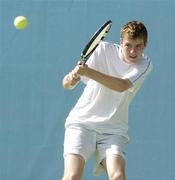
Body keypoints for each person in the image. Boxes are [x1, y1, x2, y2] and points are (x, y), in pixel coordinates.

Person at [61, 20, 152, 180]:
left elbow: (121, 85)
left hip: (112, 130)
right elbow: (66, 84)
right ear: (121, 42)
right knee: (72, 176)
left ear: (145, 45)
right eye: (128, 45)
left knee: (117, 176)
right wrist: (73, 78)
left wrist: (88, 72)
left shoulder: (145, 64)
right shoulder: (102, 49)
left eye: (139, 46)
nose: (133, 51)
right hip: (82, 123)